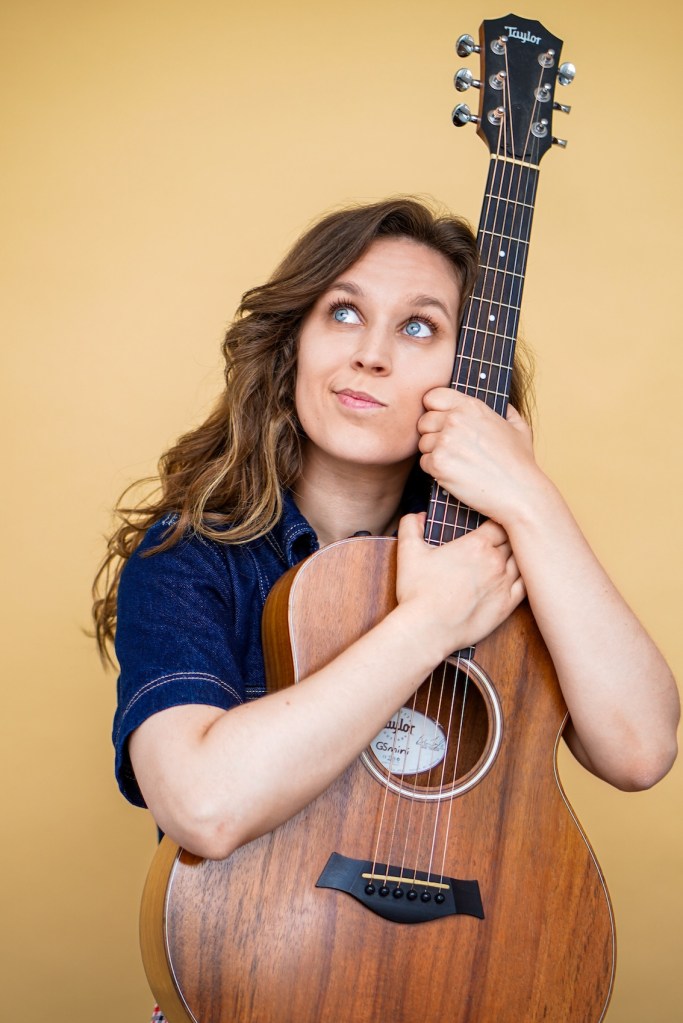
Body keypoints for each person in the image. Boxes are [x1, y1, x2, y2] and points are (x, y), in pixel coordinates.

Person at [94, 196, 678, 868]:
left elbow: (639, 750)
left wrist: (527, 497)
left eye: (419, 328)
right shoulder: (189, 557)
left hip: (474, 956)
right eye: (343, 313)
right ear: (292, 347)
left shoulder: (498, 559)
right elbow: (202, 807)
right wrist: (429, 622)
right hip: (260, 958)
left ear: (469, 376)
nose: (371, 355)